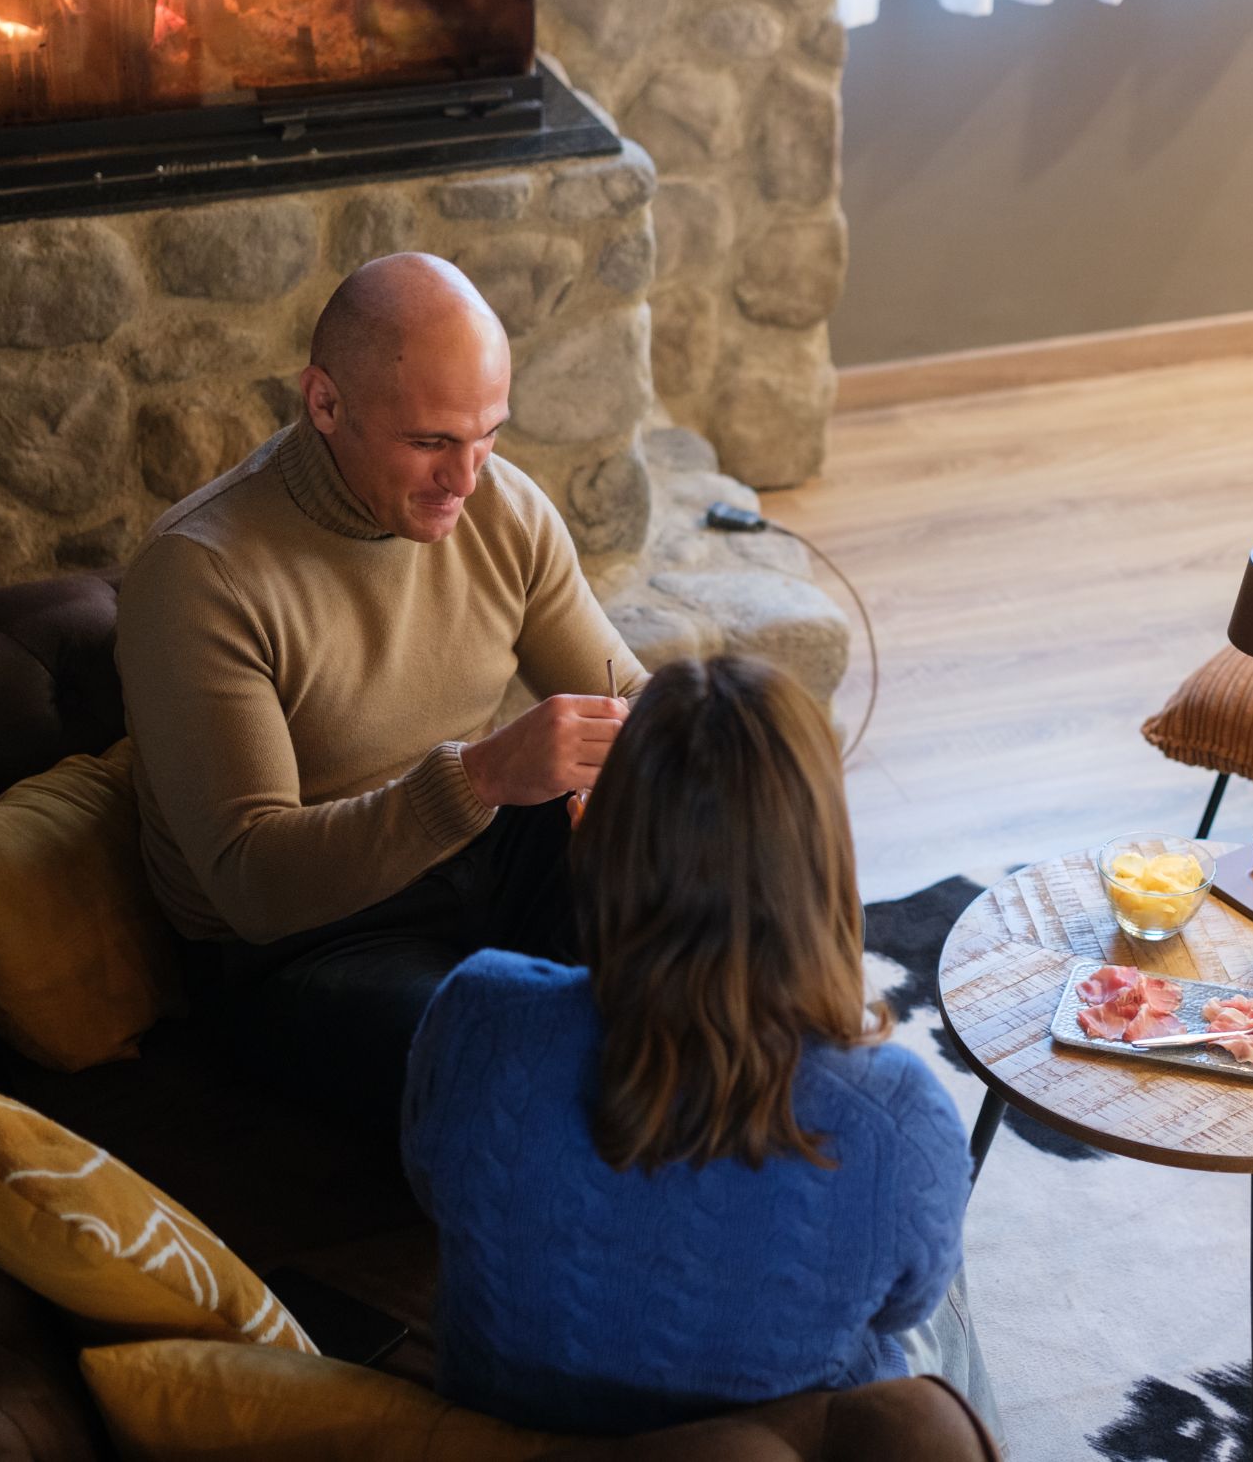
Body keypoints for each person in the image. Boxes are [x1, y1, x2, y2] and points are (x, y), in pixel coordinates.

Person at [116, 253, 645, 1141]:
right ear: (325, 403)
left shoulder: (502, 507)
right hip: (306, 942)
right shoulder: (198, 577)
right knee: (509, 1071)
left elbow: (624, 693)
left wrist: (702, 746)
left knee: (722, 947)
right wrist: (480, 778)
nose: (465, 479)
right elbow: (253, 884)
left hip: (484, 854)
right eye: (431, 442)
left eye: (488, 435)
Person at [401, 655, 999, 1438]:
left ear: (598, 840)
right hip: (782, 1441)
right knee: (935, 1274)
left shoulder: (476, 1015)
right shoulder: (896, 1113)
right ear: (820, 860)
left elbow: (433, 1189)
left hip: (513, 1435)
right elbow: (904, 1304)